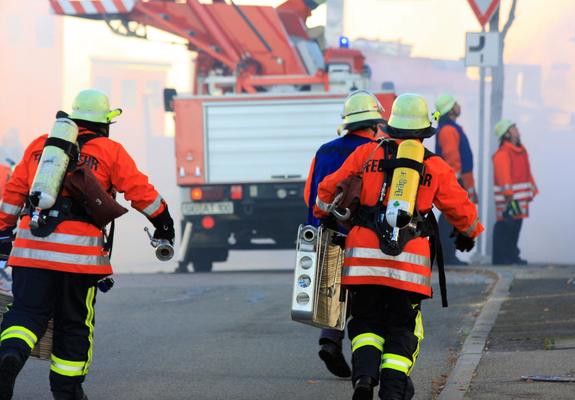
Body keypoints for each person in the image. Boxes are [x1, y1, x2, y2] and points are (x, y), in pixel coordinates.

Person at [0, 89, 175, 400]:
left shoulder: (40, 146)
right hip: (78, 258)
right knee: (74, 324)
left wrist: (3, 234)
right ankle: (67, 392)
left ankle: (8, 357)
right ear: (104, 122)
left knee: (25, 314)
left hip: (31, 251)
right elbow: (141, 192)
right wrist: (164, 223)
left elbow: (13, 195)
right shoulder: (110, 151)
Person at [314, 94, 483, 400]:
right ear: (424, 129)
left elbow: (328, 189)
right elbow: (462, 208)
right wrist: (469, 233)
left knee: (365, 322)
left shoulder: (366, 153)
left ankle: (364, 379)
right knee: (404, 328)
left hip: (363, 260)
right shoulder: (434, 164)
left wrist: (322, 212)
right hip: (409, 264)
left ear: (391, 125)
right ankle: (392, 391)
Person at [304, 90, 386, 378]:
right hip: (364, 235)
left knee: (334, 290)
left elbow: (310, 196)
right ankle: (366, 359)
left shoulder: (324, 150)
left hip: (325, 229)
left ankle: (330, 340)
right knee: (365, 298)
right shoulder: (377, 152)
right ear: (375, 122)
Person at [434, 94, 477, 265]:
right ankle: (447, 257)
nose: (459, 105)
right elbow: (452, 160)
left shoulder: (450, 128)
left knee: (450, 219)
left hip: (453, 182)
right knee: (449, 220)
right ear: (450, 109)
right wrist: (458, 186)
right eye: (456, 104)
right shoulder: (448, 130)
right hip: (452, 182)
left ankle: (448, 256)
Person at [492, 119, 537, 265]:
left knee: (515, 227)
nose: (516, 129)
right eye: (513, 127)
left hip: (518, 198)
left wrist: (532, 189)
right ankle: (502, 257)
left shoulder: (520, 150)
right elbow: (504, 176)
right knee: (506, 226)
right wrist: (509, 196)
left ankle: (511, 255)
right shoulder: (503, 153)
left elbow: (526, 172)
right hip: (509, 199)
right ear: (506, 134)